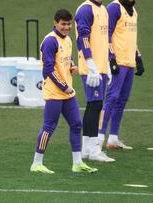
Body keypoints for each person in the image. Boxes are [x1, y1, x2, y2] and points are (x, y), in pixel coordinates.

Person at [30, 9, 98, 174]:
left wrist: (71, 66)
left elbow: (65, 59)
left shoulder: (67, 39)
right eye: (63, 24)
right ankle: (36, 163)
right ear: (55, 23)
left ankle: (77, 163)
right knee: (49, 127)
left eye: (69, 24)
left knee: (76, 125)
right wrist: (64, 86)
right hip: (55, 92)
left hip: (67, 92)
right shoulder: (50, 42)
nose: (67, 27)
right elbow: (48, 69)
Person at [98, 0, 144, 150]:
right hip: (118, 62)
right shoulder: (114, 8)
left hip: (129, 63)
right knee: (111, 98)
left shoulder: (133, 11)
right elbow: (107, 35)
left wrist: (138, 57)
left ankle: (113, 139)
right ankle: (98, 137)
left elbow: (132, 38)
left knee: (122, 100)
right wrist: (111, 58)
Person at [75, 0, 115, 162]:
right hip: (91, 69)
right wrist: (91, 64)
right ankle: (93, 150)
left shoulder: (103, 10)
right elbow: (83, 38)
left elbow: (103, 40)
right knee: (96, 104)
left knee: (94, 105)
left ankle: (87, 148)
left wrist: (106, 64)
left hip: (100, 68)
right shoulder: (85, 9)